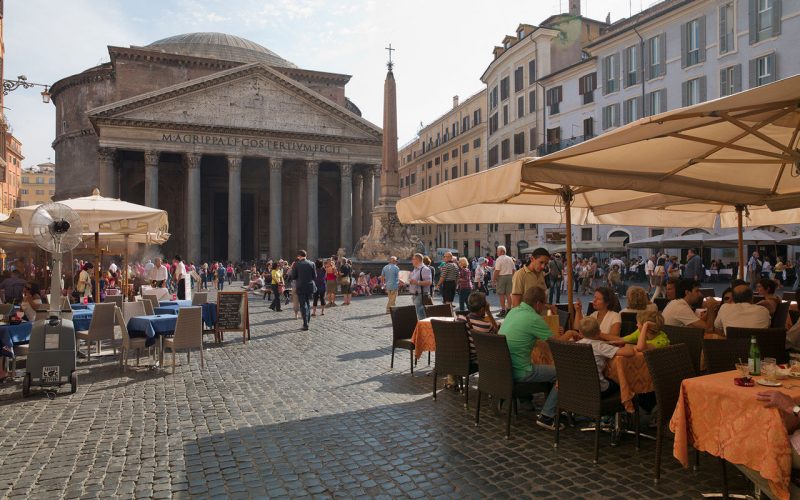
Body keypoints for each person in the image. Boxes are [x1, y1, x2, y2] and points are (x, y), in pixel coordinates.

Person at [500, 286, 577, 430]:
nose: (545, 307)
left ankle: (556, 407)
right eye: (544, 303)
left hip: (504, 369)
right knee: (564, 373)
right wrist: (571, 332)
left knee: (551, 368)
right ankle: (547, 416)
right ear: (537, 303)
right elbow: (557, 344)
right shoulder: (534, 318)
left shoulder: (513, 311)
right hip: (521, 371)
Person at [576, 317, 635, 398]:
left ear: (580, 333)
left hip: (578, 388)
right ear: (599, 332)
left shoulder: (575, 345)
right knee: (622, 382)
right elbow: (630, 352)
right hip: (598, 390)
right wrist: (626, 343)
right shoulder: (600, 346)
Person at [289, 250, 316, 331]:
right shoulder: (312, 263)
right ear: (306, 255)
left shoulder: (296, 264)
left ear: (299, 256)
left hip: (301, 286)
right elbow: (314, 276)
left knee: (303, 305)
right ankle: (307, 321)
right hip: (310, 286)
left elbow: (293, 276)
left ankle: (305, 324)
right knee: (307, 303)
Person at [492, 245, 515, 317]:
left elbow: (497, 270)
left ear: (501, 251)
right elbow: (514, 270)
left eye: (497, 251)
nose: (496, 252)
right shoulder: (510, 258)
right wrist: (513, 277)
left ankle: (503, 310)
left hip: (501, 277)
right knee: (509, 294)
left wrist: (494, 280)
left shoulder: (499, 259)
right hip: (510, 276)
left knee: (501, 294)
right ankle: (509, 309)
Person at [408, 253, 432, 319]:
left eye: (413, 259)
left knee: (421, 316)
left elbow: (429, 282)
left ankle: (424, 328)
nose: (411, 261)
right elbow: (412, 280)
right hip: (415, 295)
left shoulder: (425, 269)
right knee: (418, 315)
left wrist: (417, 282)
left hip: (421, 295)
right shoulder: (415, 269)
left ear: (417, 260)